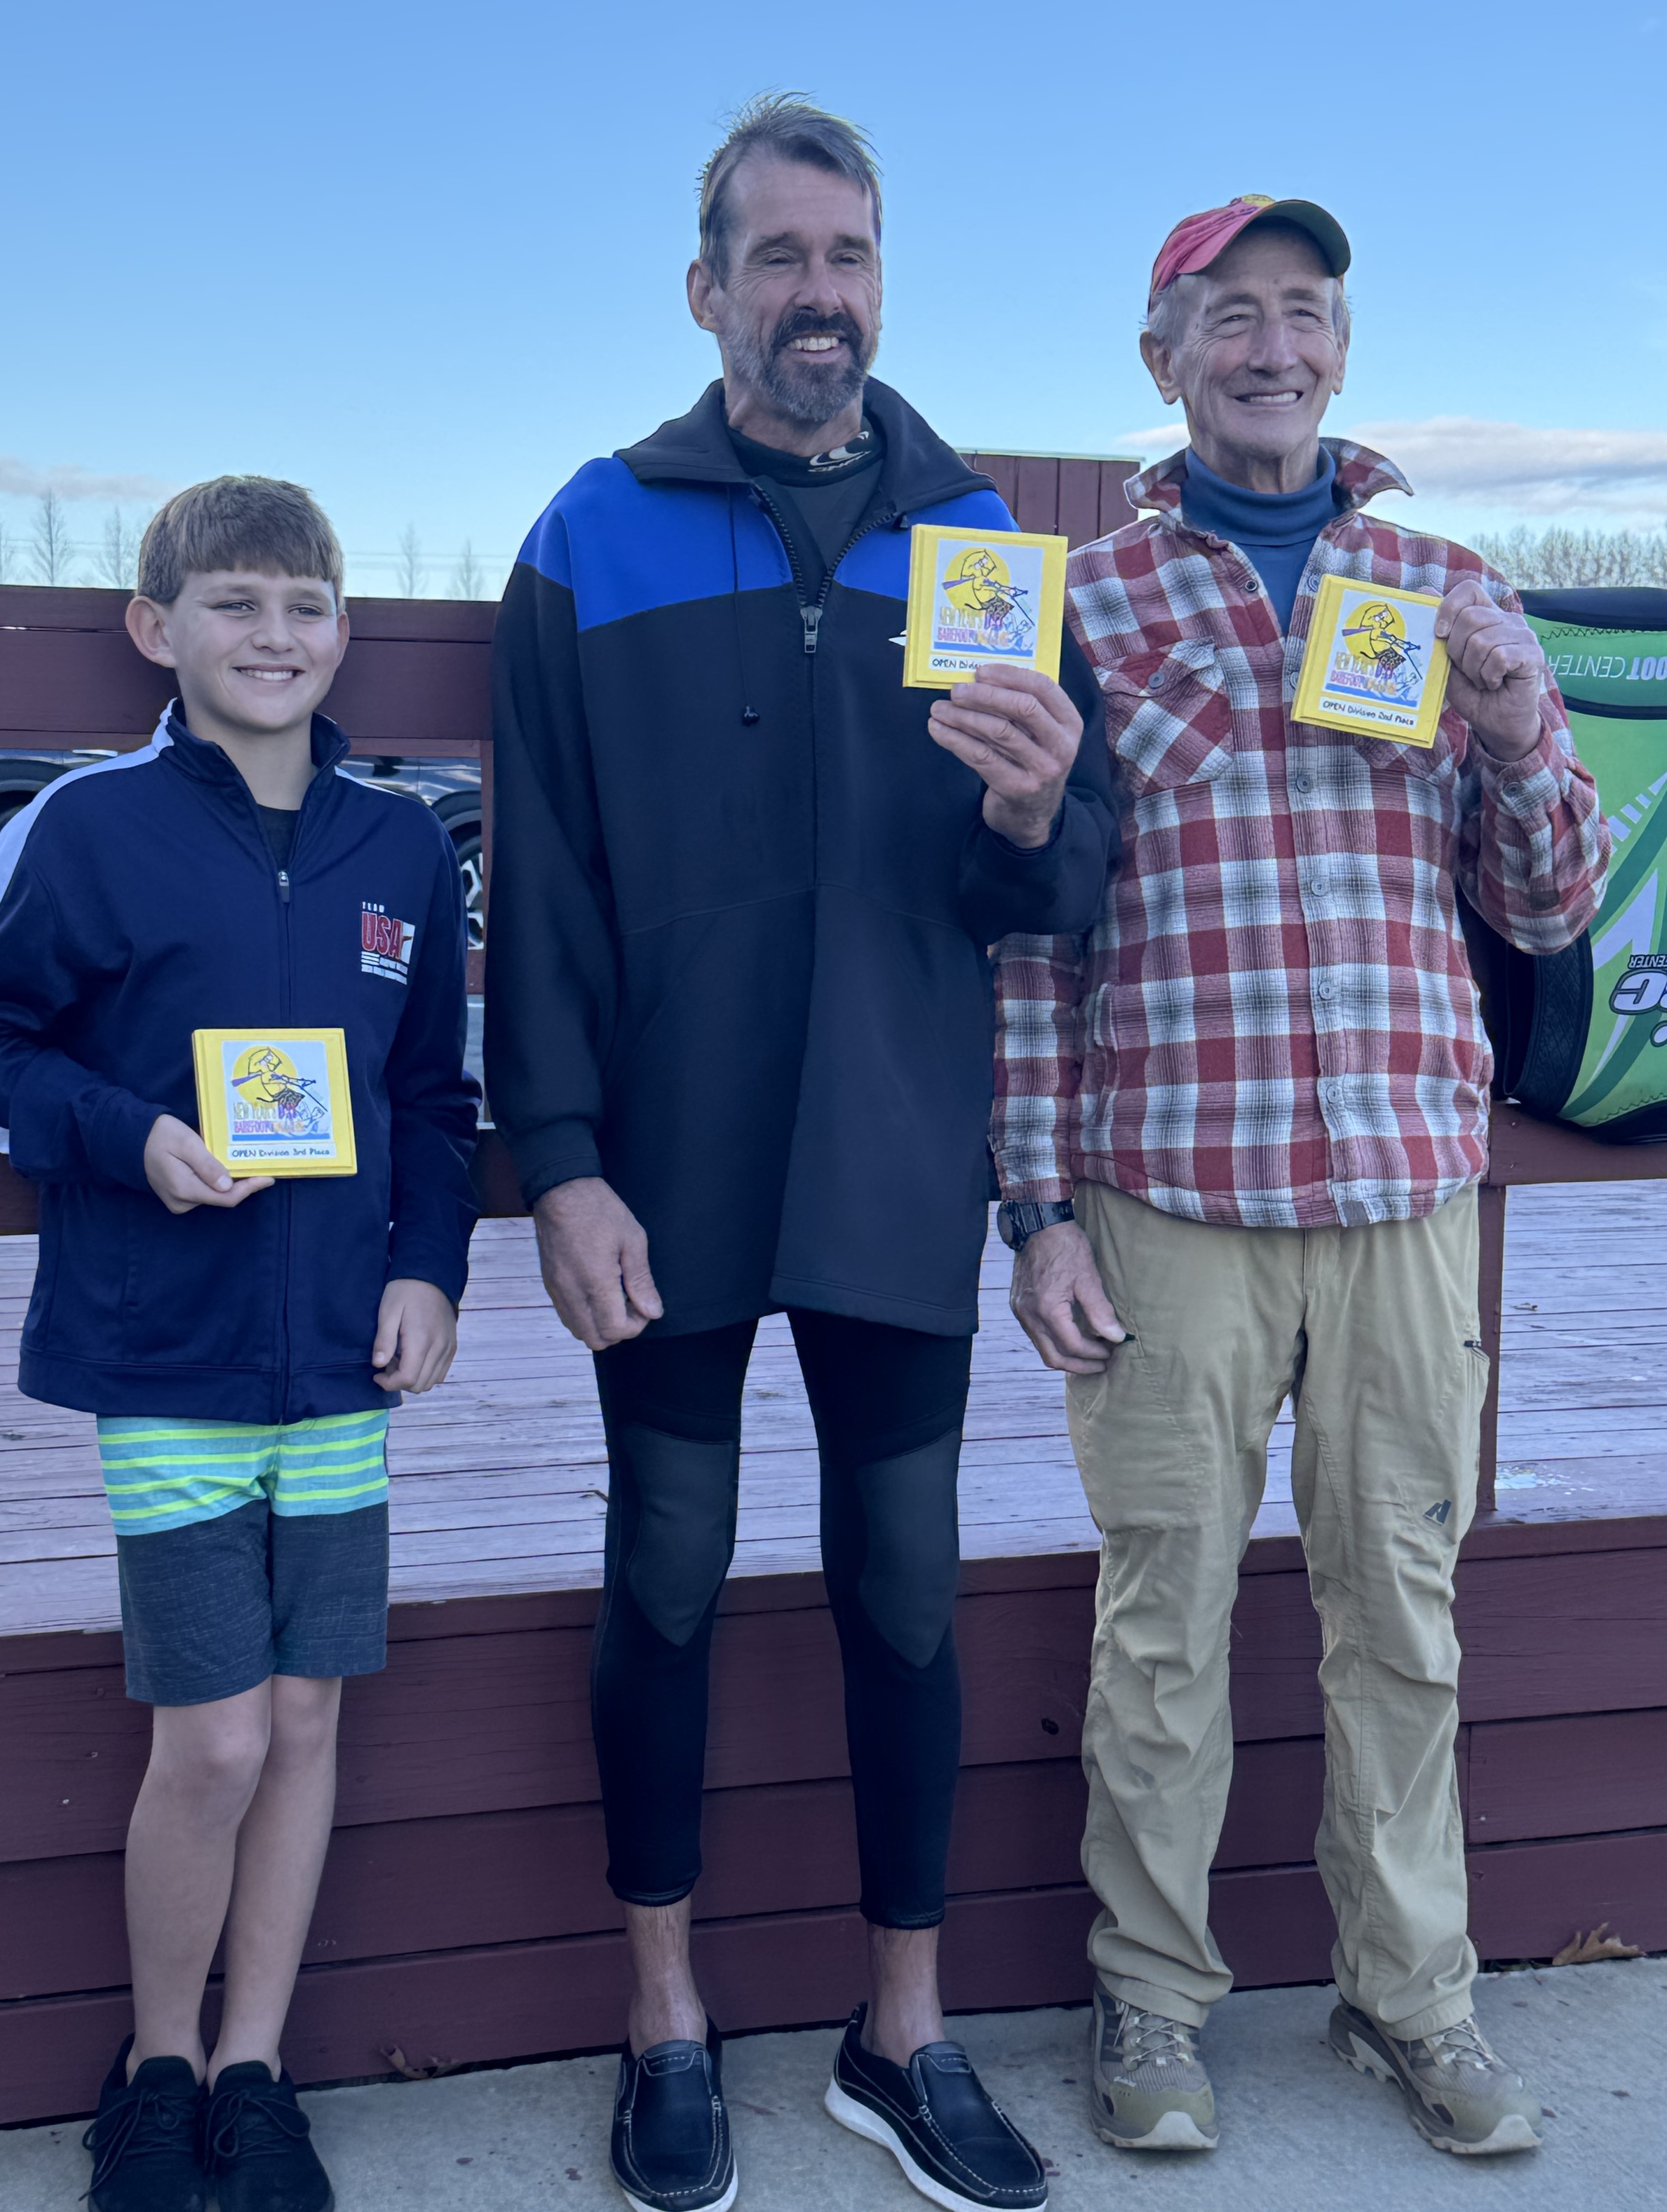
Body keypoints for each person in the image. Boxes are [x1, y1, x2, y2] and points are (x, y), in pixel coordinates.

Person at [486, 95, 1117, 2212]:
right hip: (660, 1165)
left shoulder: (981, 542)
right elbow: (538, 880)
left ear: (880, 283)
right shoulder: (593, 532)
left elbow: (1059, 879)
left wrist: (1031, 810)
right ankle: (663, 2016)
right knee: (664, 1569)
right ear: (706, 290)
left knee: (905, 1587)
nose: (817, 294)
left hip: (891, 1149)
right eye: (777, 257)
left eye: (847, 256)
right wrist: (557, 1157)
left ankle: (899, 2031)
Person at [993, 196, 1609, 2158]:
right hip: (1165, 1192)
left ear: (1340, 346)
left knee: (1401, 1618)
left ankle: (1411, 1998)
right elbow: (1028, 938)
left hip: (1406, 1192)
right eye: (1228, 317)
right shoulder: (1082, 602)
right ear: (1159, 359)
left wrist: (1511, 727)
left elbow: (1549, 903)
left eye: (1302, 312)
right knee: (1158, 1622)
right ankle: (1153, 1998)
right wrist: (1035, 1207)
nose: (1270, 348)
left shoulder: (1444, 579)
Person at [0, 477, 480, 2212]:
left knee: (304, 1725)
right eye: (235, 603)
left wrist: (430, 1271)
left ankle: (255, 2069)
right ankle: (154, 2066)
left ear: (344, 630)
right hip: (163, 1354)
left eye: (306, 606)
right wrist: (132, 1137)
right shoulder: (88, 828)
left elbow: (433, 1100)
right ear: (155, 629)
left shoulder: (401, 848)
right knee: (217, 1739)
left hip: (341, 1365)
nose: (275, 636)